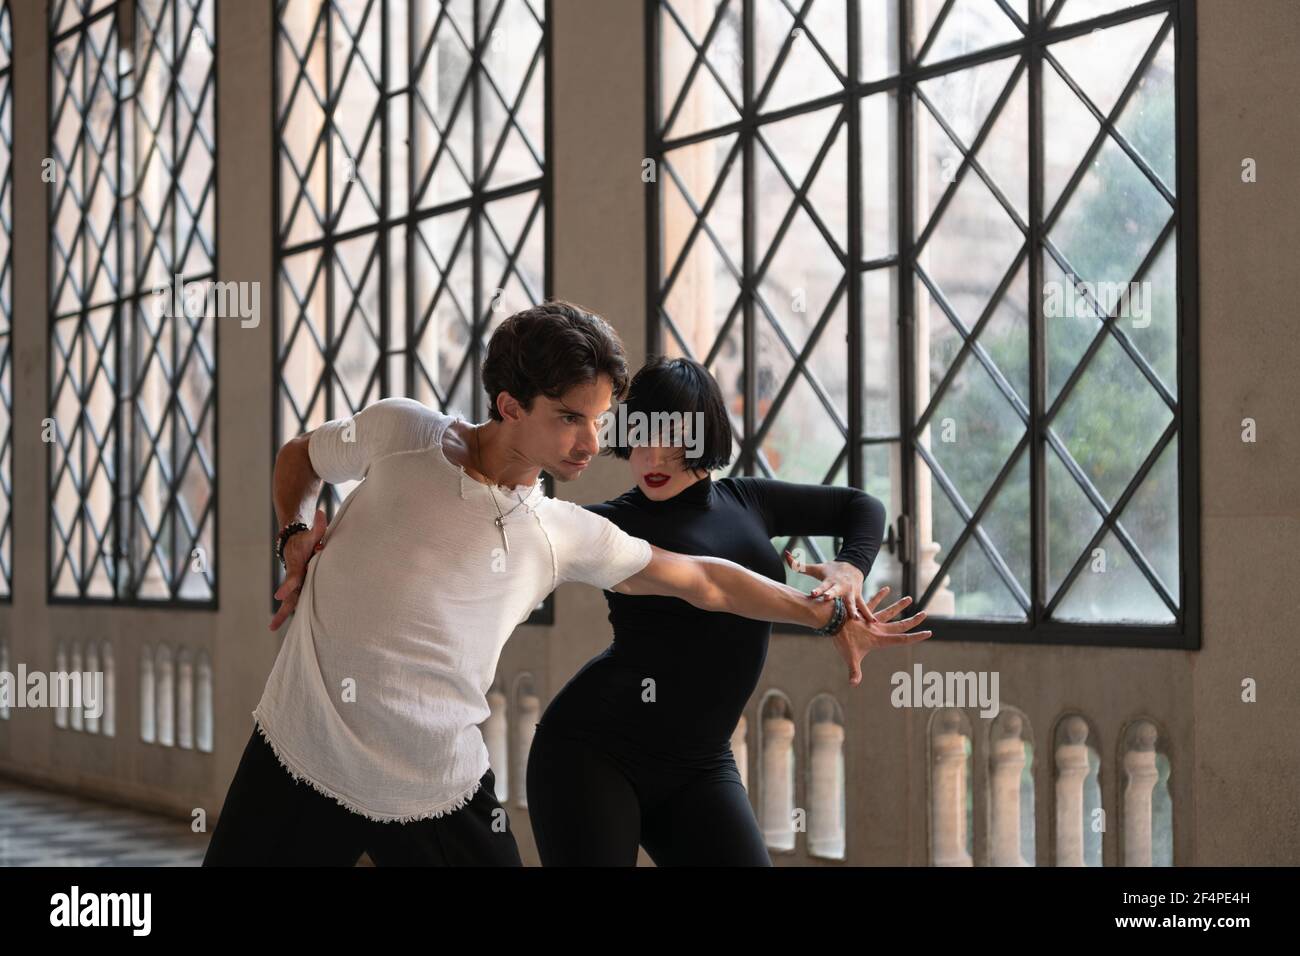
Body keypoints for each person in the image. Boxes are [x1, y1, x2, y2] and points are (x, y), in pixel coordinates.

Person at [202, 301, 929, 866]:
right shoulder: (404, 433)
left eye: (601, 420)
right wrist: (294, 536)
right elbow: (301, 456)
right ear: (510, 405)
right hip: (300, 749)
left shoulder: (561, 531)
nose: (591, 444)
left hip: (433, 786)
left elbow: (707, 582)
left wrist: (828, 615)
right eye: (569, 420)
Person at [524, 356, 918, 866]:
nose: (653, 459)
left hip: (700, 764)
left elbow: (862, 507)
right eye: (641, 437)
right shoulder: (611, 525)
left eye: (673, 439)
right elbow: (712, 585)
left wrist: (849, 570)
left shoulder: (749, 499)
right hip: (592, 755)